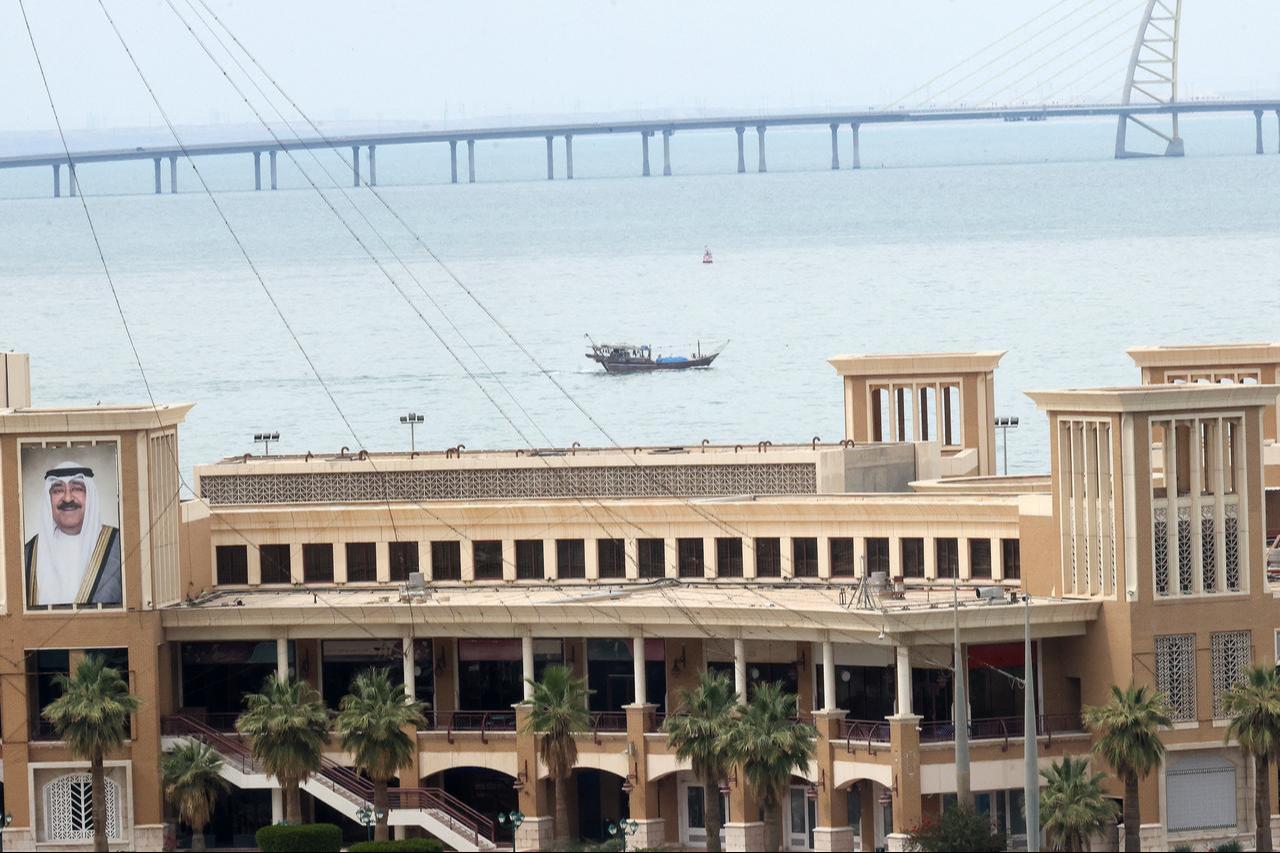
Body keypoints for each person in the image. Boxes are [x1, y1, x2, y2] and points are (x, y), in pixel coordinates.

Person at [24, 460, 121, 607]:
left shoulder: (119, 545)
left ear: (90, 495)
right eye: (58, 491)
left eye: (77, 489)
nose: (68, 498)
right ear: (48, 499)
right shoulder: (28, 554)